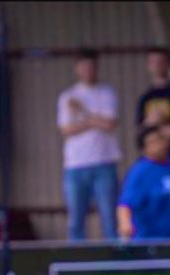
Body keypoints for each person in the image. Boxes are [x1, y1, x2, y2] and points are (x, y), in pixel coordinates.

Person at [57, 48, 121, 241]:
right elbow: (66, 129)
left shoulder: (107, 92)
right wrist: (95, 121)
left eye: (91, 66)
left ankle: (114, 256)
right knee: (75, 221)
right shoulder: (68, 96)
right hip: (76, 164)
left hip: (104, 162)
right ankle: (77, 257)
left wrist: (83, 113)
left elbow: (110, 124)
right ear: (77, 68)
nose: (88, 70)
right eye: (84, 66)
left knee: (110, 219)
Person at [117, 125, 170, 241]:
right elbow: (125, 205)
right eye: (152, 142)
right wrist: (126, 229)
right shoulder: (141, 172)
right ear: (144, 149)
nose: (159, 145)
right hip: (154, 242)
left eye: (160, 139)